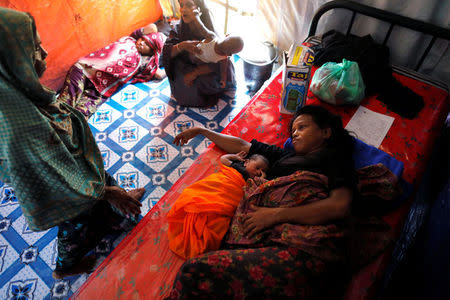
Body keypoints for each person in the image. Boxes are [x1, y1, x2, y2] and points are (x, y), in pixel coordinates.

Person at [0, 8, 146, 279]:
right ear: (9, 60)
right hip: (63, 190)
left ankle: (114, 213)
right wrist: (108, 192)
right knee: (75, 223)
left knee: (97, 179)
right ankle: (65, 267)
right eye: (33, 48)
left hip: (71, 168)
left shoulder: (15, 93)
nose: (43, 54)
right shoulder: (20, 128)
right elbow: (62, 181)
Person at [167, 105, 357, 299]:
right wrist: (203, 131)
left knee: (192, 272)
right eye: (293, 131)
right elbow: (242, 146)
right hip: (271, 241)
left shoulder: (336, 159)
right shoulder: (285, 158)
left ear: (325, 132)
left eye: (302, 127)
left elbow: (339, 206)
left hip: (305, 249)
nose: (295, 135)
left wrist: (274, 215)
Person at [167, 151, 268, 259]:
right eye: (257, 168)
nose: (259, 172)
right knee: (198, 198)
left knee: (218, 222)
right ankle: (199, 213)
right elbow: (223, 159)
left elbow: (257, 192)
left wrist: (261, 180)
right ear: (246, 162)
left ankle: (206, 226)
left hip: (230, 195)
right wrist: (235, 156)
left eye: (263, 171)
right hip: (221, 184)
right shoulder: (236, 167)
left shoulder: (254, 181)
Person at [57, 23, 166, 118]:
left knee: (79, 115)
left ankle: (59, 134)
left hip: (100, 89)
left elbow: (160, 75)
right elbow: (152, 27)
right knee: (64, 104)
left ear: (152, 52)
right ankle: (49, 126)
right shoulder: (131, 39)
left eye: (147, 44)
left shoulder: (146, 62)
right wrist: (152, 35)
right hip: (85, 69)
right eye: (143, 39)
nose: (142, 43)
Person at [162, 0, 237, 107]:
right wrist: (182, 46)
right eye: (181, 5)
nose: (183, 9)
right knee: (181, 78)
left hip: (208, 69)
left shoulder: (210, 29)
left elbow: (221, 60)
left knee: (209, 81)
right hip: (188, 66)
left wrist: (195, 73)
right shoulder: (179, 29)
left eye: (188, 5)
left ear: (199, 8)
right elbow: (166, 54)